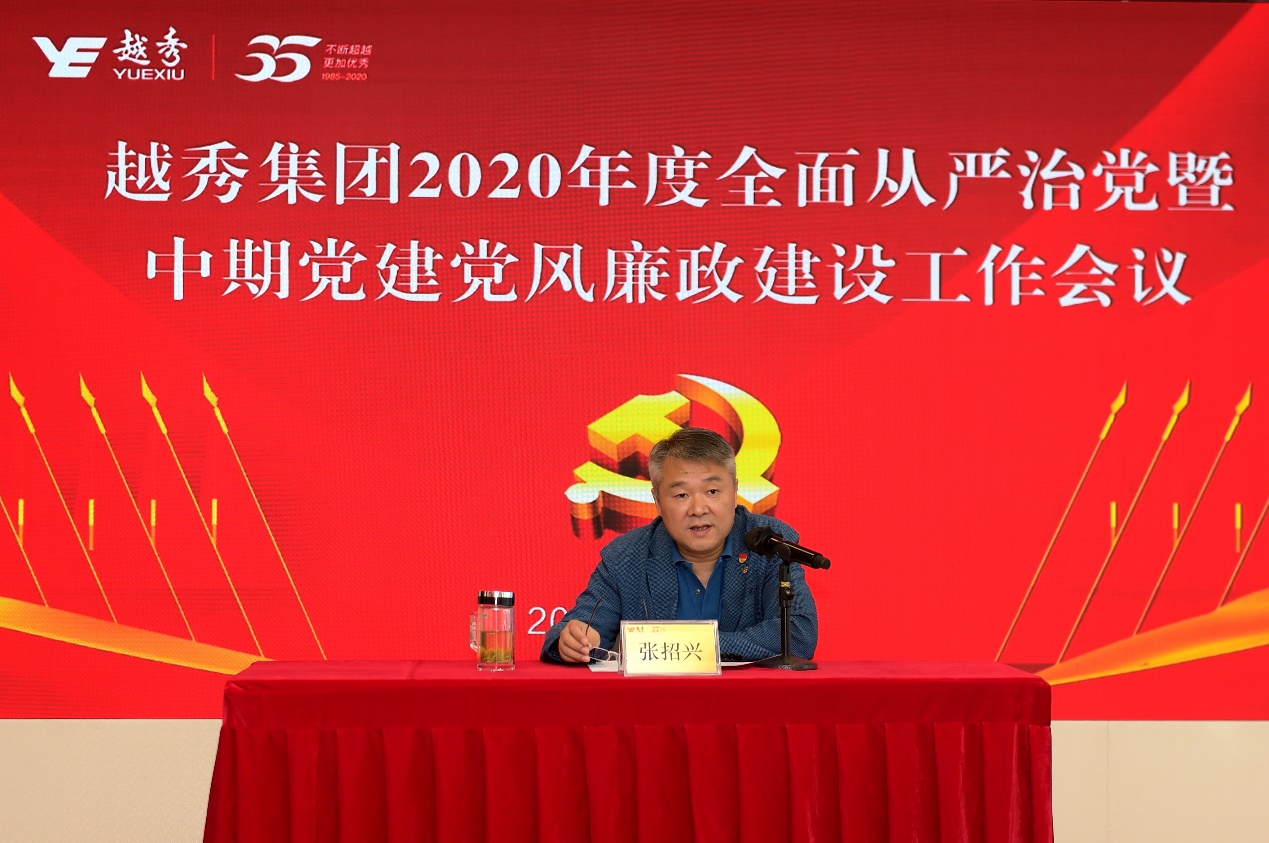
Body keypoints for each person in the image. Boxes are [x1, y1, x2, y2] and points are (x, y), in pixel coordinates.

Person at [542, 427, 817, 663]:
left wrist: (691, 646)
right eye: (681, 495)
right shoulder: (626, 557)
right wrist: (572, 640)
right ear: (657, 499)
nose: (698, 509)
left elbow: (798, 635)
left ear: (734, 491)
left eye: (712, 491)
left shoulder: (769, 544)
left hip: (746, 704)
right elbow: (578, 628)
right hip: (655, 705)